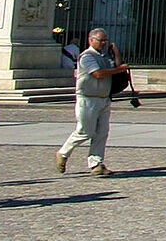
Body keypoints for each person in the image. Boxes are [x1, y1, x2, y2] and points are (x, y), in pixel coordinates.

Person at [55, 27, 129, 176]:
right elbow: (98, 73)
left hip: (104, 98)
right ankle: (63, 153)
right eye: (100, 40)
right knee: (85, 131)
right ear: (91, 40)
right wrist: (119, 69)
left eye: (105, 41)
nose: (103, 43)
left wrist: (116, 53)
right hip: (87, 98)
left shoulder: (105, 57)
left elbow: (116, 67)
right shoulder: (87, 56)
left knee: (102, 133)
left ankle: (96, 163)